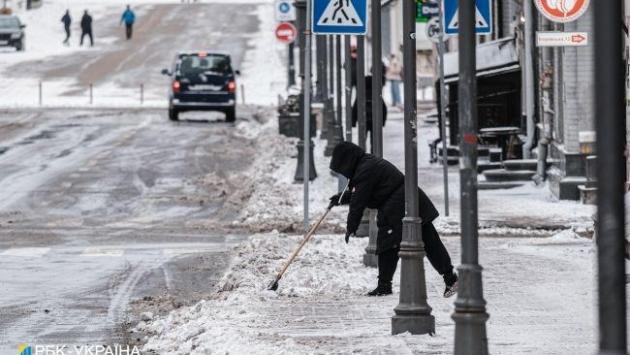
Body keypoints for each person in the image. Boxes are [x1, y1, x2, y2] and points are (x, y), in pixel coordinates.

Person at [328, 142, 458, 297]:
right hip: (406, 199)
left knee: (389, 242)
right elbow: (362, 193)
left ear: (347, 161)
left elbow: (359, 201)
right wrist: (341, 198)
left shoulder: (365, 169)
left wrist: (351, 227)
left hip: (399, 202)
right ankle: (450, 278)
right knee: (427, 240)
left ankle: (385, 285)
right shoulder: (365, 164)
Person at [351, 75, 387, 153]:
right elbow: (384, 109)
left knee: (362, 140)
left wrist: (353, 122)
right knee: (374, 141)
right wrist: (383, 122)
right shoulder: (377, 95)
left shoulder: (361, 96)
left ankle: (363, 154)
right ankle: (373, 155)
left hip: (363, 120)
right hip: (375, 121)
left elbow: (355, 109)